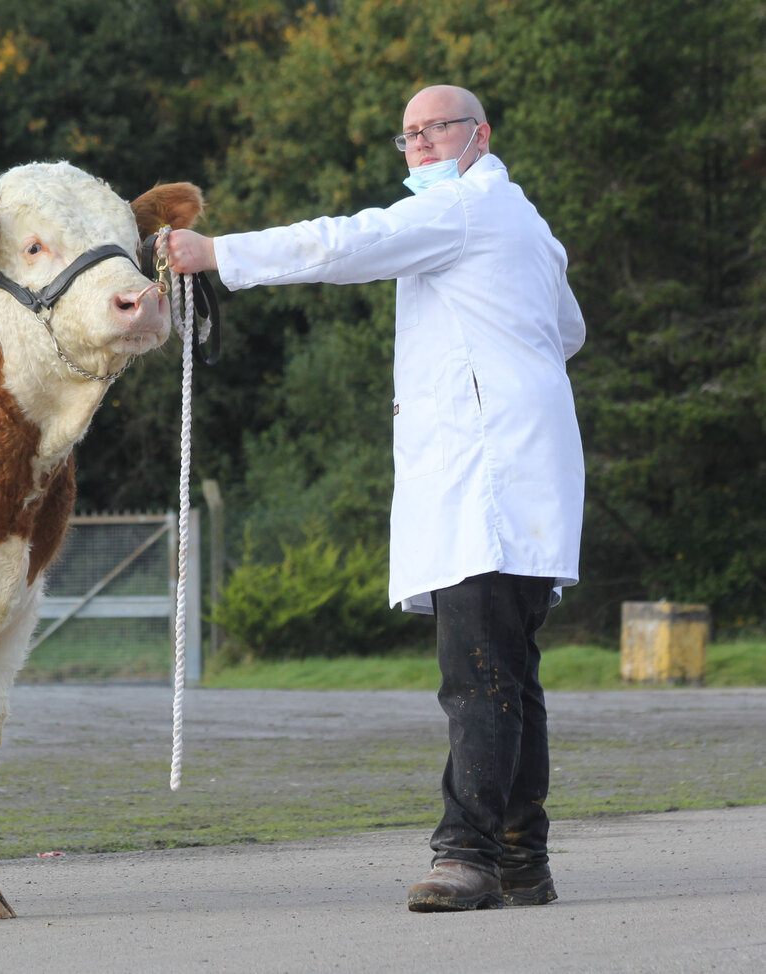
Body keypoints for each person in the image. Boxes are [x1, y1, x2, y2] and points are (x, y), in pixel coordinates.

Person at [167, 84, 584, 912]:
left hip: (489, 478)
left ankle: (467, 855)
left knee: (475, 675)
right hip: (527, 471)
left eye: (438, 128)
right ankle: (521, 860)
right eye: (410, 135)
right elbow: (567, 331)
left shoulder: (468, 208)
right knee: (510, 672)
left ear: (481, 134)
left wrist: (217, 254)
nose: (422, 144)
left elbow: (346, 244)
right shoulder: (528, 227)